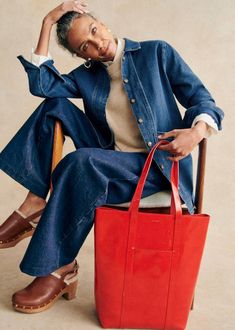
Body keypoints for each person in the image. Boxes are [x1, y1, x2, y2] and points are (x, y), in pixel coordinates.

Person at [0, 0, 224, 314]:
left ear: (102, 23)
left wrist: (196, 133)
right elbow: (42, 86)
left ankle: (55, 268)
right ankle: (36, 202)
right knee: (53, 106)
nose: (97, 44)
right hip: (110, 160)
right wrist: (48, 21)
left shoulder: (156, 53)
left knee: (81, 162)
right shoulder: (87, 75)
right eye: (85, 46)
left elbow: (203, 100)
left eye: (94, 30)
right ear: (81, 55)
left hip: (154, 168)